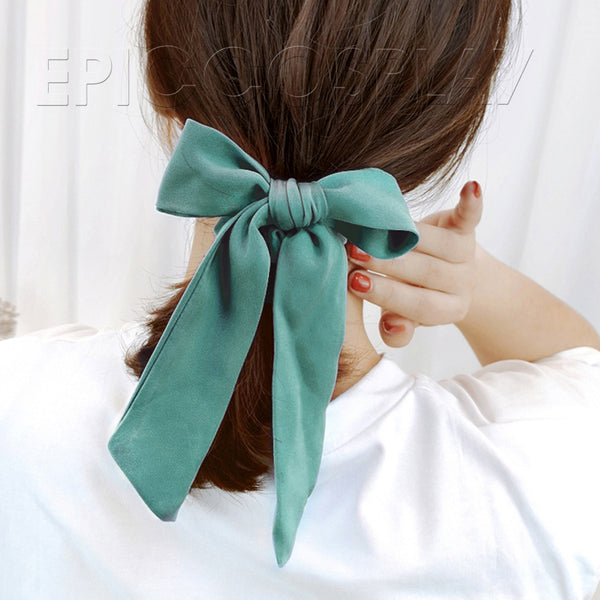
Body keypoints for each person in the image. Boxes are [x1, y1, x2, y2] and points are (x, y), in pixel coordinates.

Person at [1, 0, 600, 598]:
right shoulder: (550, 484)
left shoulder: (19, 403)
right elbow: (580, 366)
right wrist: (476, 283)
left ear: (171, 113)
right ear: (438, 138)